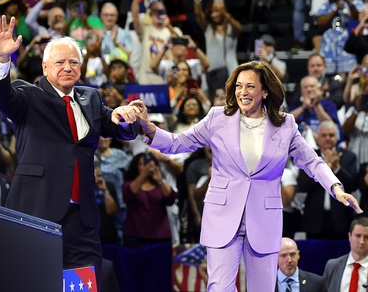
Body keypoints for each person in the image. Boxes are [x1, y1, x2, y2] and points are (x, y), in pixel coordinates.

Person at [130, 60, 362, 291]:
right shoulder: (217, 118)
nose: (243, 92)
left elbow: (312, 161)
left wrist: (336, 188)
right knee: (220, 288)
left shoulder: (285, 124)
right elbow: (178, 143)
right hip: (223, 215)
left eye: (250, 86)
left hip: (264, 219)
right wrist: (149, 128)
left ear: (264, 91)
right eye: (239, 86)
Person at [0, 15, 143, 291]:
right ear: (45, 67)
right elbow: (2, 97)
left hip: (82, 221)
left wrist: (129, 116)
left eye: (73, 62)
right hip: (36, 213)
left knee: (82, 286)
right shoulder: (28, 95)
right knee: (34, 283)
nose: (67, 67)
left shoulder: (91, 97)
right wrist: (2, 60)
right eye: (59, 62)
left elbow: (117, 126)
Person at [298, 120, 358, 240]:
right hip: (315, 220)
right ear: (317, 138)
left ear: (337, 138)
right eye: (324, 135)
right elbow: (302, 185)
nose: (327, 138)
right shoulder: (309, 157)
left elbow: (353, 185)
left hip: (341, 220)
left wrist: (336, 168)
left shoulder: (348, 157)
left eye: (331, 135)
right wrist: (324, 167)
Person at [122, 151, 176, 249]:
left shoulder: (160, 185)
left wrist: (160, 180)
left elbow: (171, 199)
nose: (146, 167)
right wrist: (143, 175)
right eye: (141, 164)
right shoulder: (129, 184)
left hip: (160, 236)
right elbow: (128, 195)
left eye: (148, 163)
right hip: (135, 235)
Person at [323, 216, 368, 291]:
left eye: (367, 237)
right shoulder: (332, 266)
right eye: (358, 236)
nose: (362, 242)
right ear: (349, 236)